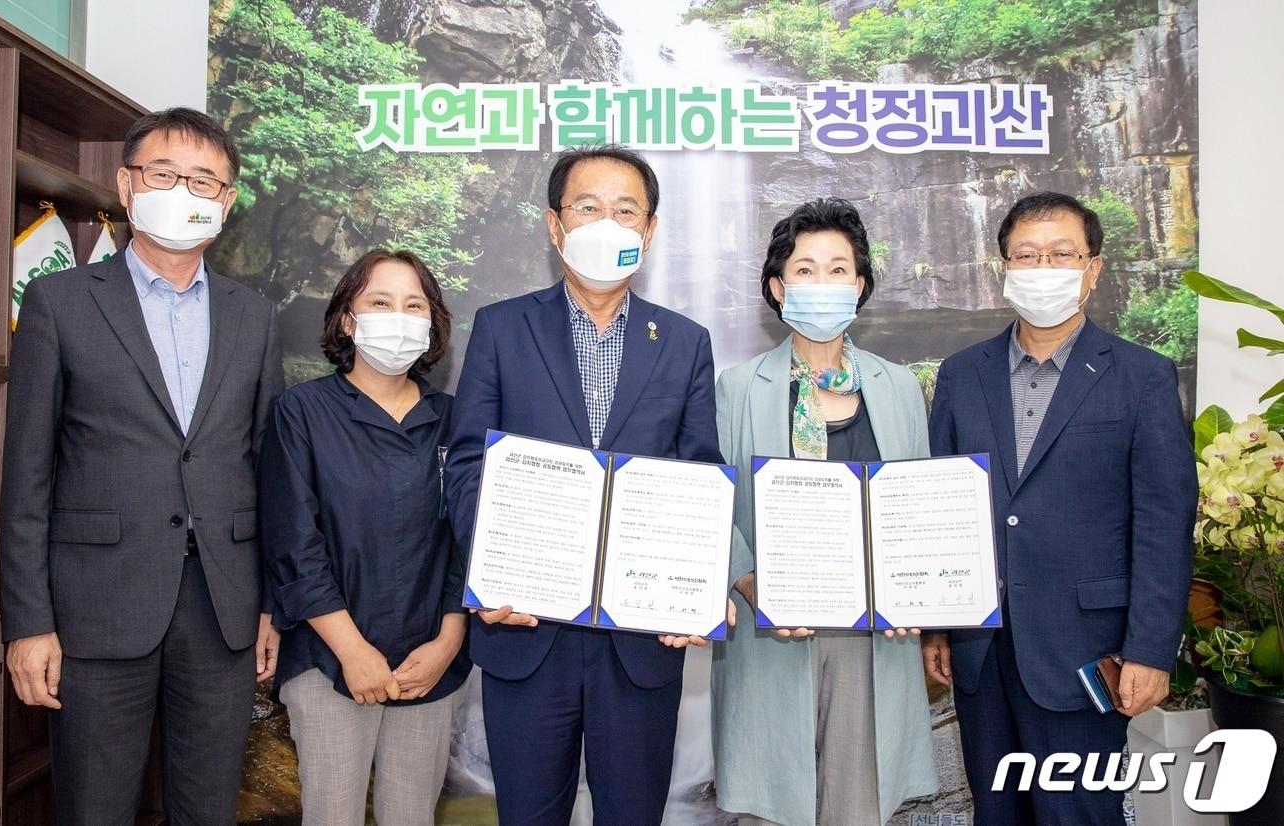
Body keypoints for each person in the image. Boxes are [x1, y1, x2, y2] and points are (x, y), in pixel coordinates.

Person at [0, 107, 284, 825]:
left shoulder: (254, 315)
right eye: (164, 173)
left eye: (204, 180)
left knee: (207, 807)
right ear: (127, 186)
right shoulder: (59, 302)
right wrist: (27, 623)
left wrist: (272, 604)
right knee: (95, 806)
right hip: (97, 606)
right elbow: (28, 474)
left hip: (223, 608)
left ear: (225, 203)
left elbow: (267, 465)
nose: (183, 190)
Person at [444, 144, 727, 825]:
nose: (607, 223)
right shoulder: (502, 329)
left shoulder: (685, 342)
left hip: (639, 643)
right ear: (554, 224)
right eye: (588, 207)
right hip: (525, 631)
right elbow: (468, 465)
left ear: (650, 230)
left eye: (625, 210)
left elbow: (699, 475)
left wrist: (691, 590)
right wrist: (495, 572)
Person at [921, 191, 1196, 824]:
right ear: (1004, 269)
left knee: (1081, 815)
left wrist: (1152, 650)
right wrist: (937, 623)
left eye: (1062, 254)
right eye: (1027, 255)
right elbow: (941, 505)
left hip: (1088, 650)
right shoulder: (962, 374)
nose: (1043, 268)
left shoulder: (1143, 376)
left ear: (1092, 268)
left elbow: (1163, 522)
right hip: (982, 647)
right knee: (998, 814)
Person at [711, 199, 938, 826]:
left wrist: (917, 592)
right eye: (804, 269)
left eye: (838, 269)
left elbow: (918, 508)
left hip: (874, 640)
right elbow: (714, 499)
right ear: (778, 287)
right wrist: (752, 581)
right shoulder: (737, 386)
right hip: (770, 633)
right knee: (770, 804)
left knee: (858, 804)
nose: (822, 283)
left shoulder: (896, 386)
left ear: (859, 287)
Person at [259, 249, 470, 826]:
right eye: (380, 302)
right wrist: (353, 652)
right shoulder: (300, 413)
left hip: (429, 660)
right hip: (330, 659)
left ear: (432, 325)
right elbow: (293, 545)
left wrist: (448, 642)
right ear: (348, 319)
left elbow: (469, 542)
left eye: (414, 305)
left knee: (412, 817)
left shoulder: (455, 419)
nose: (398, 318)